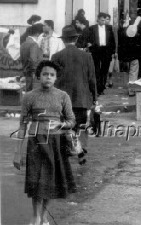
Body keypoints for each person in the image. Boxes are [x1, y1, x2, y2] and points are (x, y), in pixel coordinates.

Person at [16, 60, 76, 225]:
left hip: (55, 143)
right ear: (38, 76)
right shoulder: (29, 97)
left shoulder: (63, 96)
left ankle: (44, 217)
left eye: (52, 75)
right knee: (36, 181)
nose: (48, 77)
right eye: (45, 74)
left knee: (50, 182)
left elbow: (71, 120)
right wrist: (17, 152)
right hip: (35, 143)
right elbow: (22, 124)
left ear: (56, 78)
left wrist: (61, 124)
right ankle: (35, 216)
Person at [52, 25, 97, 160]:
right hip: (81, 98)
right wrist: (94, 97)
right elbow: (92, 79)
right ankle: (79, 147)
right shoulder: (87, 56)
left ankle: (67, 147)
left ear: (63, 40)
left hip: (62, 99)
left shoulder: (56, 56)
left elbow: (52, 79)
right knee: (79, 124)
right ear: (76, 39)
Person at [86, 12, 116, 95]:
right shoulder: (92, 28)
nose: (104, 22)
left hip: (106, 50)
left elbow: (112, 40)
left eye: (105, 20)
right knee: (96, 70)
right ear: (98, 20)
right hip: (96, 50)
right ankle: (98, 88)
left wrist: (113, 51)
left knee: (105, 69)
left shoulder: (109, 28)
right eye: (102, 20)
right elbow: (88, 38)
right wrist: (90, 44)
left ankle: (102, 87)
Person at [20, 24, 44, 92]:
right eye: (41, 35)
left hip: (26, 73)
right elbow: (33, 60)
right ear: (37, 34)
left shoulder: (23, 44)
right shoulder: (34, 44)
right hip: (33, 75)